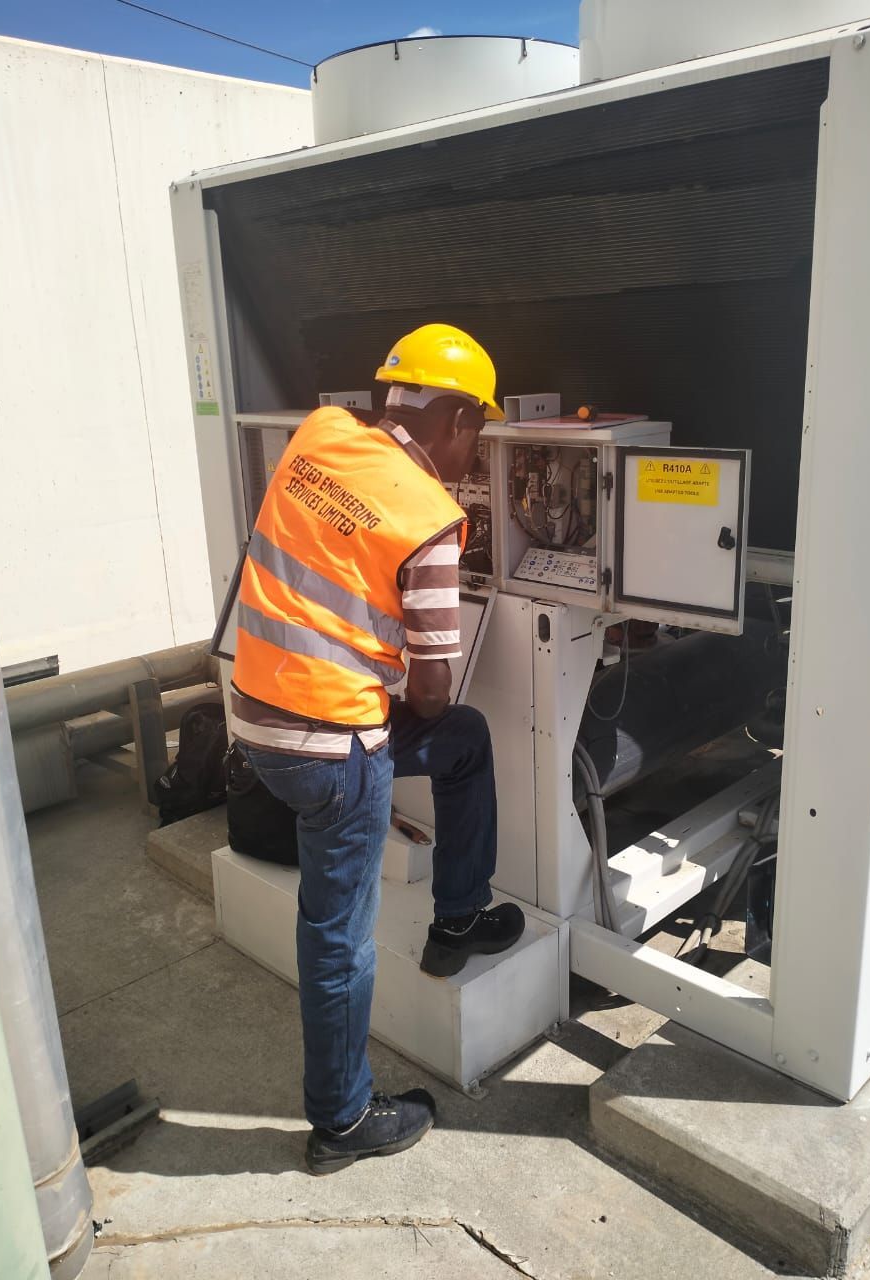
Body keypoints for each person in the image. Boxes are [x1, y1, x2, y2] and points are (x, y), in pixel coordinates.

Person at [230, 323, 524, 1176]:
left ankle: (457, 916)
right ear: (457, 419)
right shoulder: (431, 519)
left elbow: (333, 561)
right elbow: (429, 693)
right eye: (479, 432)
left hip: (257, 720)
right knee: (338, 938)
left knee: (462, 744)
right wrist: (411, 651)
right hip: (330, 750)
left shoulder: (319, 434)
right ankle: (343, 1118)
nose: (473, 452)